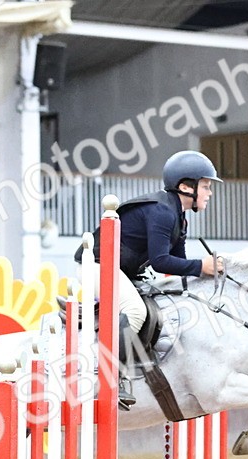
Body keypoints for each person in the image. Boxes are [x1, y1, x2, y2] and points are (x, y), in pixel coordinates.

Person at [76, 150, 225, 408]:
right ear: (185, 187)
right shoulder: (162, 212)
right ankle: (110, 379)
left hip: (120, 269)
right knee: (134, 311)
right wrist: (202, 265)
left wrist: (204, 269)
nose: (209, 193)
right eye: (206, 186)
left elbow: (178, 265)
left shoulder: (179, 218)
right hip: (96, 264)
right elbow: (160, 261)